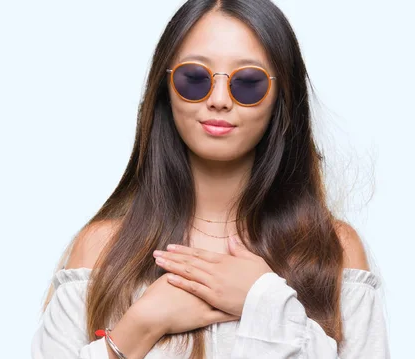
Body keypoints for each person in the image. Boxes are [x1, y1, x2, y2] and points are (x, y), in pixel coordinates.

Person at [31, 0, 390, 358]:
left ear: (282, 97)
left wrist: (266, 304)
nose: (219, 100)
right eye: (195, 79)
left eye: (248, 83)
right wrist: (139, 327)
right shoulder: (102, 250)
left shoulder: (332, 250)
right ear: (165, 87)